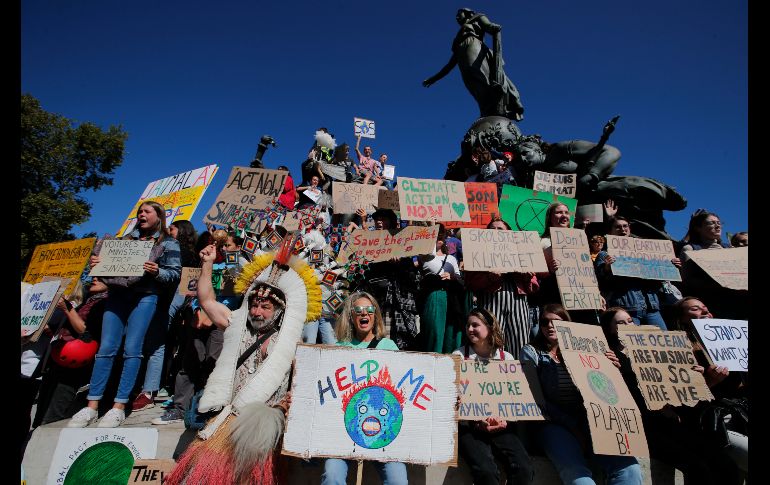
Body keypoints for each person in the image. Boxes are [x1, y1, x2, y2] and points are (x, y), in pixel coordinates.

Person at [167, 236, 322, 484]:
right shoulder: (236, 325)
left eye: (265, 307)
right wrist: (207, 264)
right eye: (254, 305)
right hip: (225, 421)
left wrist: (287, 403)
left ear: (279, 311)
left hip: (260, 433)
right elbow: (207, 300)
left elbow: (303, 385)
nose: (257, 312)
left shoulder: (292, 345)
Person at [599, 307, 743, 485]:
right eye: (620, 323)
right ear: (609, 330)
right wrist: (610, 367)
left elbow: (677, 391)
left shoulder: (655, 351)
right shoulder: (611, 357)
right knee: (697, 467)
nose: (628, 325)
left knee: (725, 465)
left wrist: (695, 378)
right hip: (644, 426)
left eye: (630, 321)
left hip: (669, 421)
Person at [68, 201, 181, 428]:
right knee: (106, 348)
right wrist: (98, 263)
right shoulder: (123, 241)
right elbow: (104, 271)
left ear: (159, 216)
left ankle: (119, 406)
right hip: (117, 296)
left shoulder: (168, 243)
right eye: (139, 211)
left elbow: (175, 274)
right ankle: (92, 405)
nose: (141, 215)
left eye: (147, 211)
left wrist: (157, 271)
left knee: (133, 348)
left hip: (145, 297)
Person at [520, 304, 642, 485]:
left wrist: (612, 370)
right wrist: (574, 427)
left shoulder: (587, 349)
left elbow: (606, 392)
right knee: (578, 477)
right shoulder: (531, 352)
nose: (550, 326)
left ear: (567, 324)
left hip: (592, 420)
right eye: (545, 322)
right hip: (553, 423)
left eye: (556, 321)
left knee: (630, 470)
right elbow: (536, 399)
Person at [321, 291, 407, 484]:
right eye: (358, 310)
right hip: (345, 432)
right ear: (351, 316)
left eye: (369, 309)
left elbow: (404, 389)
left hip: (383, 431)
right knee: (332, 475)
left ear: (375, 315)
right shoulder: (339, 348)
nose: (364, 313)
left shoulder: (388, 346)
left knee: (398, 480)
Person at [453, 308, 534, 485]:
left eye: (475, 325)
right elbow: (454, 396)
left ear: (489, 327)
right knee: (486, 471)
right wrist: (477, 419)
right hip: (470, 426)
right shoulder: (458, 356)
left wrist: (503, 419)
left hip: (501, 425)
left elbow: (514, 396)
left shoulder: (507, 358)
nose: (470, 329)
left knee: (524, 468)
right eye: (468, 325)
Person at [133, 219, 200, 413]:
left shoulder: (185, 252)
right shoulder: (162, 246)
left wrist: (183, 304)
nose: (168, 231)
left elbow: (188, 282)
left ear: (181, 231)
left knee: (157, 342)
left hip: (172, 300)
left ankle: (149, 389)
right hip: (155, 299)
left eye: (172, 228)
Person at [423, 8, 525, 121]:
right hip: (462, 59)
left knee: (480, 75)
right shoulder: (458, 43)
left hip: (474, 49)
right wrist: (434, 78)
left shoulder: (478, 18)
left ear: (467, 13)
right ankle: (488, 112)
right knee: (473, 85)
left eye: (459, 14)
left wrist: (493, 28)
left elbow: (489, 26)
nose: (457, 17)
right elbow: (449, 65)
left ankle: (499, 106)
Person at [34, 277, 108, 426]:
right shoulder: (88, 300)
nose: (94, 278)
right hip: (58, 358)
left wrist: (67, 308)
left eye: (101, 278)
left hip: (73, 365)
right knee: (42, 408)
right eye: (94, 275)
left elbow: (85, 331)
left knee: (54, 412)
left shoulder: (104, 304)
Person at [465, 218, 536, 358]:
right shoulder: (478, 252)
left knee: (521, 340)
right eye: (492, 229)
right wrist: (489, 278)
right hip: (491, 300)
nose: (496, 232)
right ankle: (494, 370)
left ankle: (521, 369)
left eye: (500, 229)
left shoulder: (522, 252)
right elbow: (470, 282)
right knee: (492, 340)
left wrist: (527, 277)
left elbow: (534, 287)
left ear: (509, 233)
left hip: (518, 300)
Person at [595, 216, 680, 330]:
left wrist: (670, 265)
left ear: (629, 228)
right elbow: (599, 282)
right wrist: (606, 269)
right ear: (610, 232)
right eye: (618, 227)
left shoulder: (645, 253)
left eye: (625, 226)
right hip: (627, 309)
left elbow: (658, 280)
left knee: (664, 337)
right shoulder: (604, 255)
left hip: (652, 307)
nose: (622, 229)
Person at [356, 209, 420, 350]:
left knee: (400, 337)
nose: (379, 222)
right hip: (377, 296)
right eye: (377, 219)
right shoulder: (371, 240)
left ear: (391, 222)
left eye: (383, 219)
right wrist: (363, 221)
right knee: (379, 334)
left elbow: (411, 270)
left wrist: (400, 261)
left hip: (398, 300)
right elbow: (364, 261)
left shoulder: (401, 240)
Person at [418, 227, 464, 353]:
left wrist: (452, 276)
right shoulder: (425, 256)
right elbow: (429, 254)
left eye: (441, 234)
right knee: (434, 334)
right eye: (436, 234)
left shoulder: (451, 259)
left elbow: (459, 279)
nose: (439, 236)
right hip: (434, 297)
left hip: (451, 299)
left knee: (451, 335)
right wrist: (431, 232)